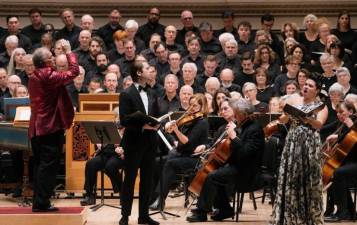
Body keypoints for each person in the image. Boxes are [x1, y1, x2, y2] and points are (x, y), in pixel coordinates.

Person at [187, 97, 265, 222]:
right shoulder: (242, 126)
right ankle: (225, 210)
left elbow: (245, 154)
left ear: (241, 113)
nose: (233, 114)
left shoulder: (254, 129)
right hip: (237, 165)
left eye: (235, 112)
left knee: (212, 176)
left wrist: (233, 138)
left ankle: (202, 212)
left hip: (248, 171)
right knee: (212, 172)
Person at [270, 75, 328, 225]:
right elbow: (283, 120)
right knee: (291, 176)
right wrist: (285, 116)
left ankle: (309, 218)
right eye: (305, 84)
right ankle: (289, 216)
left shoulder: (321, 105)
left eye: (310, 85)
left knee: (309, 178)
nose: (306, 87)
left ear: (317, 90)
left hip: (310, 143)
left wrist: (307, 118)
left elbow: (319, 125)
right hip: (293, 140)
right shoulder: (294, 100)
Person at [29, 40, 79, 212]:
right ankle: (41, 203)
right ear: (47, 62)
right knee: (48, 166)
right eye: (51, 56)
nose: (54, 57)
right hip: (48, 127)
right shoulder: (48, 75)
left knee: (39, 165)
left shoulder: (34, 75)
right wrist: (69, 52)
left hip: (36, 128)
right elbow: (74, 72)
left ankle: (38, 201)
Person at [150, 93, 209, 210]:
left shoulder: (202, 122)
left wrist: (176, 130)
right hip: (183, 154)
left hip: (194, 158)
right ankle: (154, 198)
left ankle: (160, 199)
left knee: (171, 163)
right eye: (190, 105)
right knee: (156, 163)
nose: (191, 109)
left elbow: (187, 142)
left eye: (195, 106)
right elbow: (177, 138)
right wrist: (169, 128)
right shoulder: (190, 120)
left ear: (202, 108)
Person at [118, 61, 160, 225]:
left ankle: (144, 215)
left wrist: (156, 124)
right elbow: (124, 120)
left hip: (150, 142)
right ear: (139, 73)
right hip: (134, 142)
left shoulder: (152, 92)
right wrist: (142, 124)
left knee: (147, 180)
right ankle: (125, 216)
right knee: (129, 180)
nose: (151, 71)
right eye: (148, 69)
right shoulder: (126, 94)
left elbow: (156, 114)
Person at [80, 108, 125, 206]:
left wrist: (123, 149)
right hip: (105, 153)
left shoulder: (128, 128)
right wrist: (99, 144)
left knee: (110, 166)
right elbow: (99, 140)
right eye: (117, 117)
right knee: (90, 164)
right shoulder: (109, 127)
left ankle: (123, 190)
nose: (118, 119)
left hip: (118, 156)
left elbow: (131, 145)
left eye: (120, 117)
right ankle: (89, 195)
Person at [323, 101, 357, 222]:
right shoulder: (344, 124)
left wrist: (351, 126)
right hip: (350, 162)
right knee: (334, 171)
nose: (339, 115)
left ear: (351, 112)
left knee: (338, 173)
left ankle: (343, 213)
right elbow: (347, 140)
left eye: (342, 112)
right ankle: (348, 211)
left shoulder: (353, 124)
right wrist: (337, 137)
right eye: (337, 113)